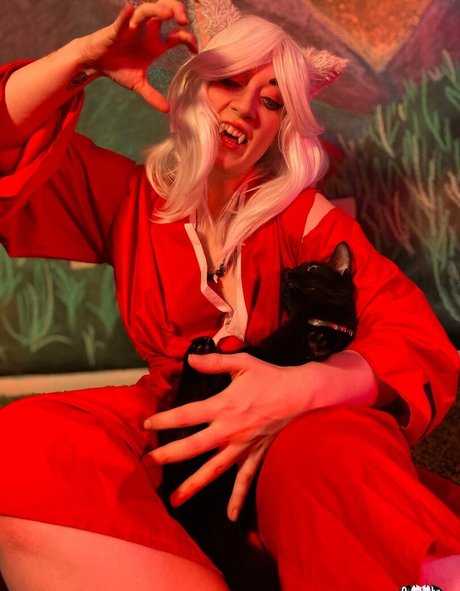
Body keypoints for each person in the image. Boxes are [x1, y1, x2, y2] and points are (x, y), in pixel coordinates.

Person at [0, 1, 459, 589]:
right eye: (231, 81)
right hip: (172, 420)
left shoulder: (305, 219)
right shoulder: (130, 200)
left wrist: (299, 390)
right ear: (193, 88)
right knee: (24, 441)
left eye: (273, 101)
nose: (247, 106)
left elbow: (412, 337)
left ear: (279, 130)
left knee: (323, 448)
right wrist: (84, 57)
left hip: (301, 433)